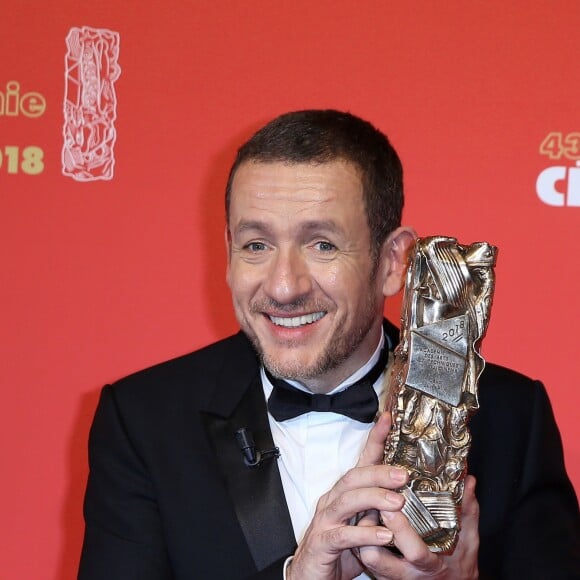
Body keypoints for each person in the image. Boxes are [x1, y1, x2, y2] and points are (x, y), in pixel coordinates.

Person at [78, 110, 580, 579]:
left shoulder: (509, 417)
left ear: (392, 263)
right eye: (256, 245)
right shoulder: (144, 421)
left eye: (322, 245)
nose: (283, 286)